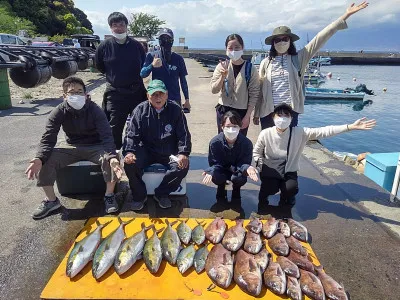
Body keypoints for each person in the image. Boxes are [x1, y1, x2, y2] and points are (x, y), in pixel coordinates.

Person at [254, 1, 369, 129]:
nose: (281, 42)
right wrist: (256, 113)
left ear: (290, 41)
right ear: (273, 43)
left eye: (285, 39)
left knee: (290, 146)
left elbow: (320, 38)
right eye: (277, 40)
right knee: (269, 145)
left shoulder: (299, 58)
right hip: (268, 112)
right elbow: (260, 90)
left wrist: (345, 15)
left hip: (290, 112)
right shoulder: (266, 62)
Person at [25, 77, 123, 219]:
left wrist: (113, 157)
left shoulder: (95, 110)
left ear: (85, 94)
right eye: (72, 92)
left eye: (79, 91)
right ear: (64, 96)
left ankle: (109, 195)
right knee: (47, 159)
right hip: (71, 146)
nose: (76, 95)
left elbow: (107, 136)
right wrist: (39, 157)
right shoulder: (59, 111)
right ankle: (51, 201)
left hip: (95, 146)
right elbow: (48, 137)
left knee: (111, 159)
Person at [253, 103, 376, 207]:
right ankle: (264, 199)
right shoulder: (265, 133)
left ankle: (287, 197)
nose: (283, 118)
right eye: (279, 115)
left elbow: (324, 131)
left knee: (291, 188)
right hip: (271, 170)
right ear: (273, 117)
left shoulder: (300, 132)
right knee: (269, 189)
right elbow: (256, 152)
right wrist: (260, 165)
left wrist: (350, 127)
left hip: (289, 170)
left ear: (291, 119)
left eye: (287, 115)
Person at [122, 79, 191, 211]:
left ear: (167, 94)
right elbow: (131, 134)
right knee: (130, 163)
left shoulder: (176, 109)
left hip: (169, 151)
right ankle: (139, 195)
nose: (158, 97)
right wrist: (129, 152)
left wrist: (183, 153)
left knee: (182, 166)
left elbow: (184, 134)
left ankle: (162, 193)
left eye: (161, 94)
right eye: (154, 94)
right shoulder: (139, 110)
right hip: (146, 150)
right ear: (148, 95)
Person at [95, 12, 147, 149]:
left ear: (126, 26)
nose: (118, 28)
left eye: (121, 25)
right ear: (110, 27)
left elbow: (144, 65)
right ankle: (115, 154)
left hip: (136, 92)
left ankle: (136, 151)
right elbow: (99, 66)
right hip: (115, 94)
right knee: (114, 126)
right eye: (114, 25)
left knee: (140, 123)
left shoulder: (137, 46)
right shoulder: (104, 46)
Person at [202, 111, 259, 206]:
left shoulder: (247, 143)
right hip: (222, 169)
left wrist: (247, 167)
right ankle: (221, 186)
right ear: (222, 127)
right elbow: (215, 163)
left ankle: (236, 189)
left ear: (240, 127)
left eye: (235, 126)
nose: (231, 129)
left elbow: (244, 162)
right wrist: (211, 171)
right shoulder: (215, 142)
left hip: (237, 170)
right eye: (228, 126)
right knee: (215, 174)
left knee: (239, 178)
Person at [211, 34, 260, 136]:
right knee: (223, 140)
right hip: (223, 109)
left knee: (239, 142)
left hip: (241, 111)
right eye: (230, 48)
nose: (234, 50)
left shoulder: (250, 69)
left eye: (237, 47)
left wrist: (247, 116)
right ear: (226, 49)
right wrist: (222, 76)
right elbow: (214, 90)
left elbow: (254, 94)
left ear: (242, 48)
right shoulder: (221, 66)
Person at [140, 28, 190, 111]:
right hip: (157, 98)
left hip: (174, 99)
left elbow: (183, 81)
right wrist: (152, 65)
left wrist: (187, 99)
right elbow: (142, 74)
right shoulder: (152, 56)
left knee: (175, 123)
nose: (165, 41)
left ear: (172, 41)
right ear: (159, 41)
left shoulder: (178, 59)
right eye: (162, 39)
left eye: (168, 39)